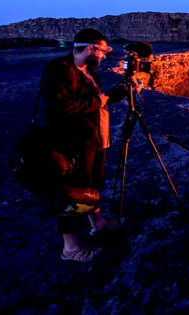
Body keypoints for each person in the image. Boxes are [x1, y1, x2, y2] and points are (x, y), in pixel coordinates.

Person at [41, 28, 126, 262]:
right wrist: (99, 100)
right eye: (104, 51)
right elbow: (60, 109)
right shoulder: (60, 72)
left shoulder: (88, 71)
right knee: (73, 194)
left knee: (93, 185)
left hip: (94, 139)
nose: (105, 56)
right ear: (90, 48)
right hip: (72, 144)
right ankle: (70, 248)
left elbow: (97, 102)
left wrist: (118, 94)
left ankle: (97, 223)